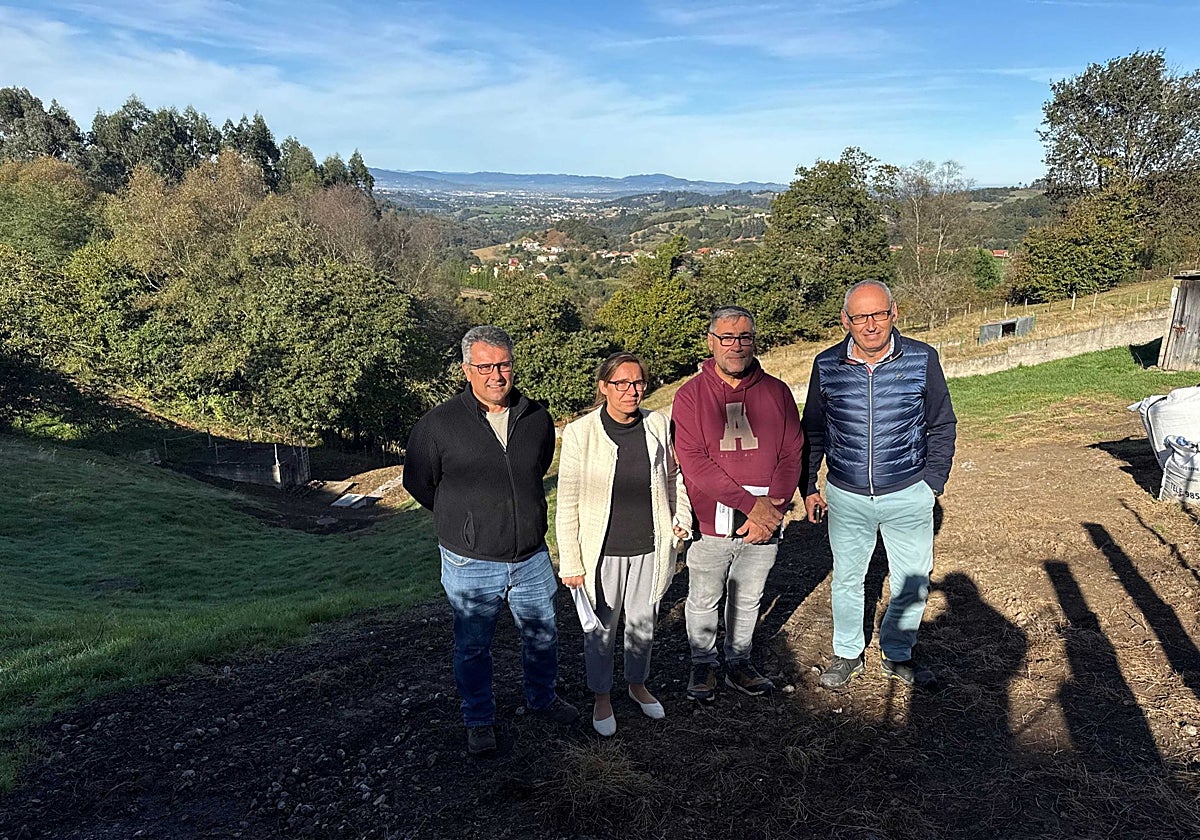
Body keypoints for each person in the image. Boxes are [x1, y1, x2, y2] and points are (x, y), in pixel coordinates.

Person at [402, 325, 578, 756]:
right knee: (473, 646)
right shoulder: (438, 425)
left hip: (532, 556)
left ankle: (543, 699)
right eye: (484, 366)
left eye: (503, 364)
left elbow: (535, 468)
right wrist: (463, 522)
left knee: (543, 635)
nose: (496, 375)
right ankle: (479, 718)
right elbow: (419, 483)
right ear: (466, 370)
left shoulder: (536, 417)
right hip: (470, 560)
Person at [801, 280, 957, 690]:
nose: (870, 325)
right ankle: (848, 653)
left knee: (913, 577)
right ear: (845, 321)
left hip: (908, 491)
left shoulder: (922, 359)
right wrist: (809, 486)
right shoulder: (826, 365)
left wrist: (933, 482)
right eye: (860, 317)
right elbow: (813, 431)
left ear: (894, 314)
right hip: (847, 494)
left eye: (879, 314)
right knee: (849, 578)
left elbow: (941, 423)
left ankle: (898, 652)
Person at [556, 352, 692, 736]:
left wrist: (680, 518)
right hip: (600, 553)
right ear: (604, 387)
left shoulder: (657, 424)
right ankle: (602, 695)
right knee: (601, 629)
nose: (631, 391)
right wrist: (571, 561)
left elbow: (672, 479)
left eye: (638, 383)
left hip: (650, 547)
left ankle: (637, 684)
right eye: (621, 383)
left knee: (643, 623)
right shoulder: (581, 433)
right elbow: (566, 501)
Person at [671, 306, 804, 701]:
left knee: (749, 596)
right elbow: (694, 461)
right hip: (711, 521)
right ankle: (703, 662)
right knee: (704, 596)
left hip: (765, 522)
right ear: (711, 342)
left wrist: (773, 508)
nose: (736, 346)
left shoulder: (776, 391)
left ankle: (739, 660)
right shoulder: (690, 395)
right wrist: (754, 505)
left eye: (744, 337)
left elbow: (792, 453)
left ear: (754, 341)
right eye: (726, 338)